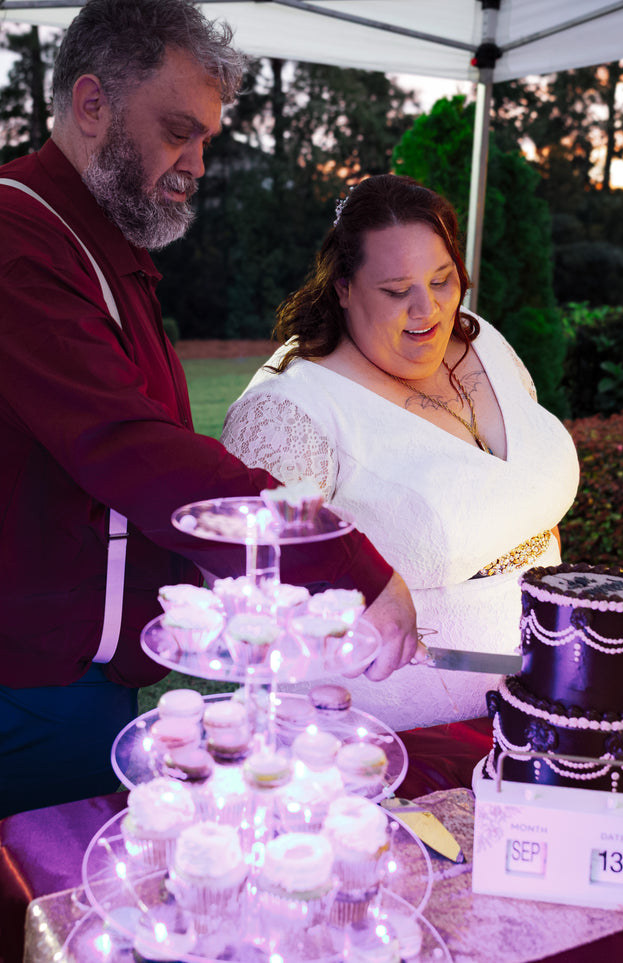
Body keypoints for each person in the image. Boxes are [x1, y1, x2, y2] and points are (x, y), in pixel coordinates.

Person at [0, 0, 419, 945]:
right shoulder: (2, 240)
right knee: (27, 928)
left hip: (57, 678)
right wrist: (347, 563)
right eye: (176, 131)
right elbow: (129, 448)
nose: (195, 163)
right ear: (91, 102)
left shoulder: (95, 246)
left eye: (205, 139)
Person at [221, 174, 579, 730]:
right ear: (342, 287)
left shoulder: (484, 340)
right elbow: (247, 593)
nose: (426, 311)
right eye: (396, 291)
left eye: (442, 280)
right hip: (396, 734)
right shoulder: (289, 410)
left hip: (541, 701)